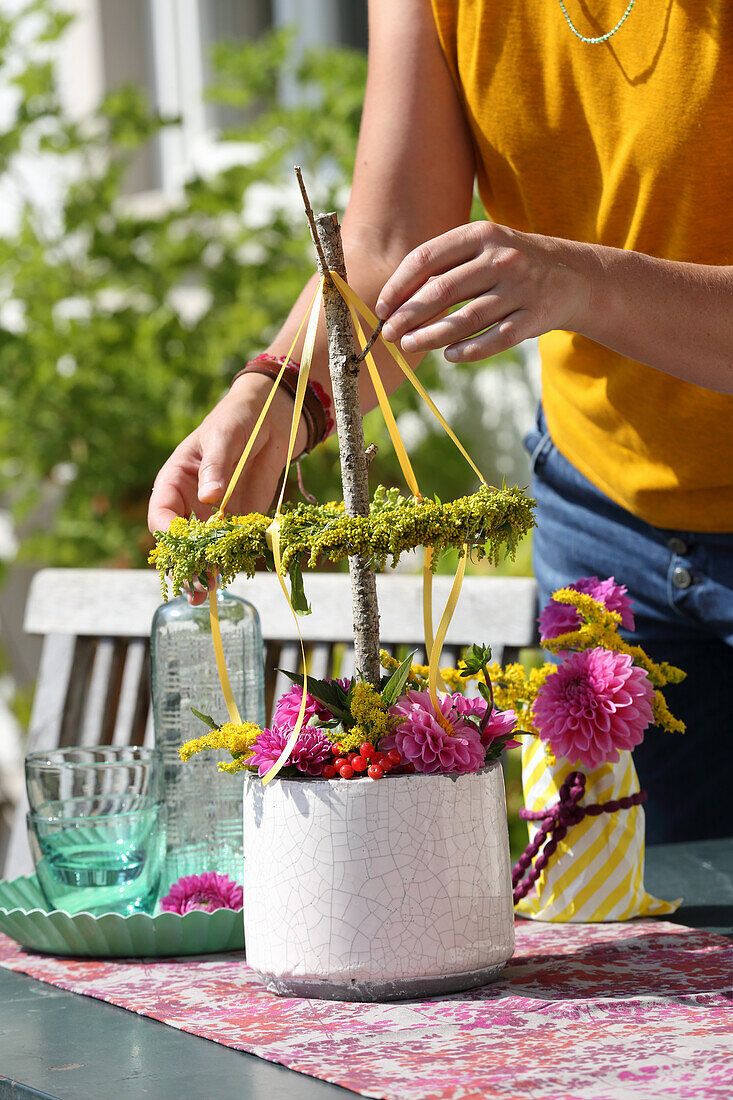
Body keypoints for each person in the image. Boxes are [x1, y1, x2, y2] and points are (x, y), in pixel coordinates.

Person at [149, 0, 733, 844]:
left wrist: (583, 285)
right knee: (630, 931)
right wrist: (279, 396)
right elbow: (389, 245)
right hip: (607, 529)